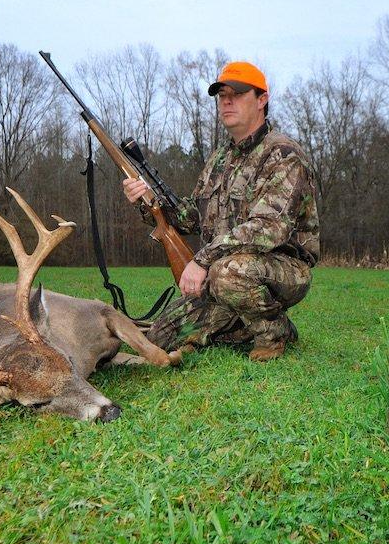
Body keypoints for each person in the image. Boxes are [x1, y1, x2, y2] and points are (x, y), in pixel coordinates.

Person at [122, 61, 319, 361]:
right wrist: (149, 202)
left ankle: (274, 331)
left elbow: (269, 227)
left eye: (237, 94)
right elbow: (192, 217)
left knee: (227, 272)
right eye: (222, 95)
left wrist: (202, 260)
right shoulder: (219, 159)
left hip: (282, 269)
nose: (226, 101)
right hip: (223, 271)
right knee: (161, 336)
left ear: (262, 99)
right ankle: (238, 324)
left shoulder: (283, 155)